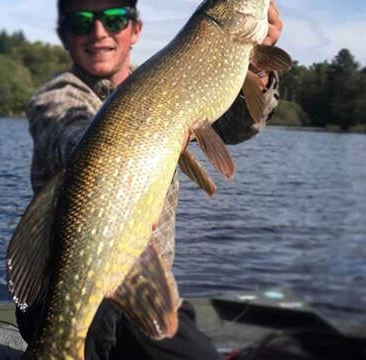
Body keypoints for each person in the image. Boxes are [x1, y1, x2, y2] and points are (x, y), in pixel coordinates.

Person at [16, 0, 284, 359]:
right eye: (81, 22)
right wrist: (154, 130)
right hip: (63, 291)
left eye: (114, 20)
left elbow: (238, 126)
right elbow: (71, 138)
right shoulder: (57, 97)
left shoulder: (178, 81)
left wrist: (257, 69)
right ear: (65, 35)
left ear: (135, 30)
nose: (99, 33)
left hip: (145, 285)